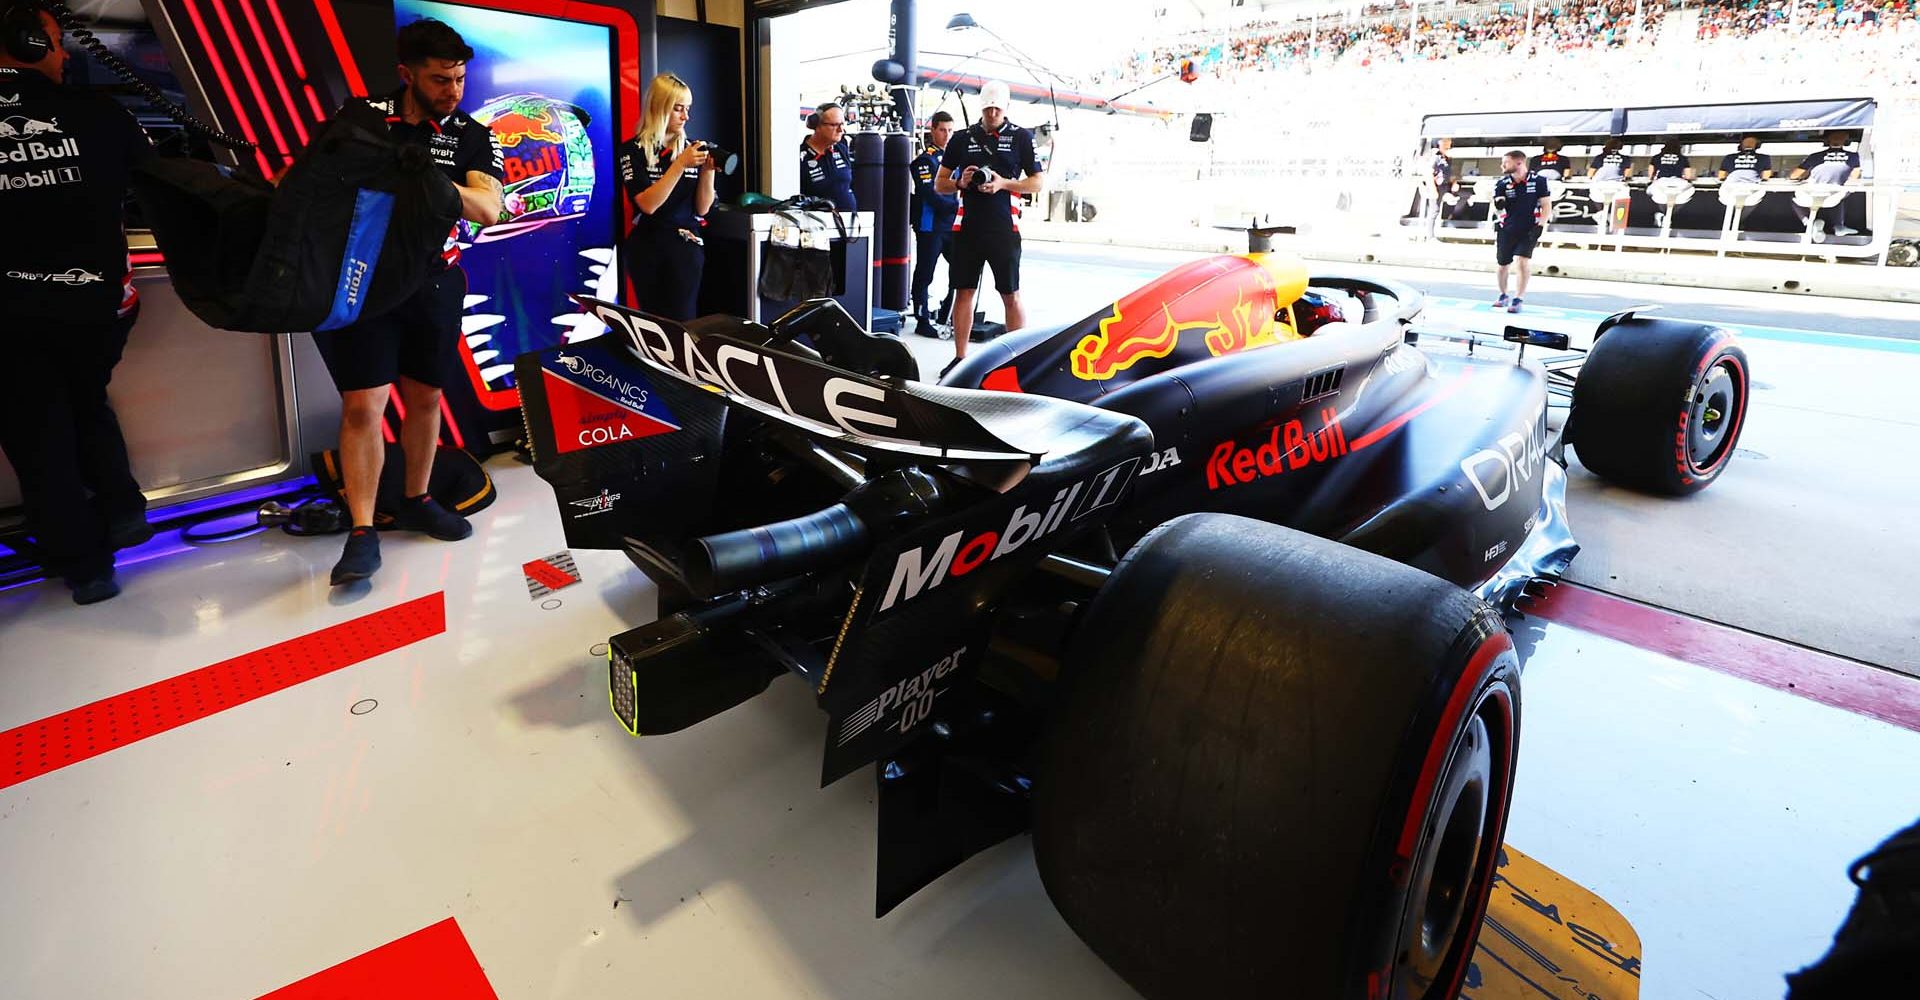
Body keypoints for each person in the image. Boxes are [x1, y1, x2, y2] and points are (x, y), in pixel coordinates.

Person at [312, 18, 503, 586]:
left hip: (436, 283)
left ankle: (418, 498)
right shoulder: (361, 117)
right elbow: (307, 182)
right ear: (406, 75)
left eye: (460, 79)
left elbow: (487, 207)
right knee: (363, 409)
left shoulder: (469, 134)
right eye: (441, 80)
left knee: (426, 399)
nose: (453, 91)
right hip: (365, 285)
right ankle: (364, 531)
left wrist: (433, 185)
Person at [0, 0, 154, 603]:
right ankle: (121, 506)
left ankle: (86, 566)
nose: (65, 54)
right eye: (57, 41)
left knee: (39, 435)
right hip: (96, 308)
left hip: (11, 318)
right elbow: (163, 185)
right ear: (27, 42)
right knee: (87, 399)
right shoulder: (100, 112)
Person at [934, 80, 1045, 375]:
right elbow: (939, 183)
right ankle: (960, 358)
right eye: (988, 106)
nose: (993, 111)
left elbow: (1037, 182)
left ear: (1005, 106)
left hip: (1004, 227)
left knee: (1011, 294)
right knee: (963, 291)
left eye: (997, 106)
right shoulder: (961, 138)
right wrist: (961, 182)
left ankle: (1016, 361)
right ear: (981, 106)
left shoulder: (1021, 137)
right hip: (967, 227)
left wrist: (1003, 183)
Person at [616, 73, 717, 321]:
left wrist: (708, 171)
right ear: (659, 108)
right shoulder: (632, 150)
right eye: (678, 109)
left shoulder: (693, 148)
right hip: (648, 245)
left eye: (688, 109)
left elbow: (703, 209)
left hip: (686, 245)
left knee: (683, 321)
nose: (686, 117)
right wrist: (679, 165)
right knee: (653, 322)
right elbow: (647, 204)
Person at [909, 110, 958, 333]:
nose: (946, 135)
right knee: (925, 273)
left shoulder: (956, 160)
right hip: (930, 226)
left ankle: (947, 312)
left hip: (953, 226)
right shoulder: (924, 160)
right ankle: (922, 320)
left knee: (961, 271)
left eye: (950, 130)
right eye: (942, 130)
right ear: (933, 130)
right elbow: (931, 194)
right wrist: (958, 205)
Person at [1490, 150, 1551, 315]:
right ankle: (1503, 294)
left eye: (1506, 162)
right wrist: (1499, 204)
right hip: (1507, 227)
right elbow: (1497, 205)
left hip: (1529, 228)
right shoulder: (1502, 183)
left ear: (1519, 163)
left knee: (1522, 261)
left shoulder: (1539, 181)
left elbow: (1546, 205)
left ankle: (1518, 298)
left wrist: (1540, 226)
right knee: (1503, 263)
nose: (1502, 165)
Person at [1790, 130, 1863, 239]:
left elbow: (1793, 176)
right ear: (1845, 139)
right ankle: (1839, 226)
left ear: (1828, 140)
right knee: (1841, 192)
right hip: (1833, 198)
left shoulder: (1815, 156)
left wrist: (1803, 175)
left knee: (1793, 197)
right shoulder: (1853, 156)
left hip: (1809, 196)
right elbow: (1855, 176)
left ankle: (1809, 223)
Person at [799, 101, 855, 212]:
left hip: (848, 223)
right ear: (817, 125)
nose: (840, 130)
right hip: (818, 224)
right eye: (834, 125)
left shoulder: (841, 149)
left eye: (842, 124)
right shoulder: (801, 157)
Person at [1426, 137, 1454, 236]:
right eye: (1446, 142)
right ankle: (1430, 236)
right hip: (1436, 186)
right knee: (1434, 211)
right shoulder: (1436, 157)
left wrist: (1453, 183)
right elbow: (1428, 173)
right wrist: (1433, 190)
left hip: (1445, 186)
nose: (1449, 144)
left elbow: (1448, 173)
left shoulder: (1447, 157)